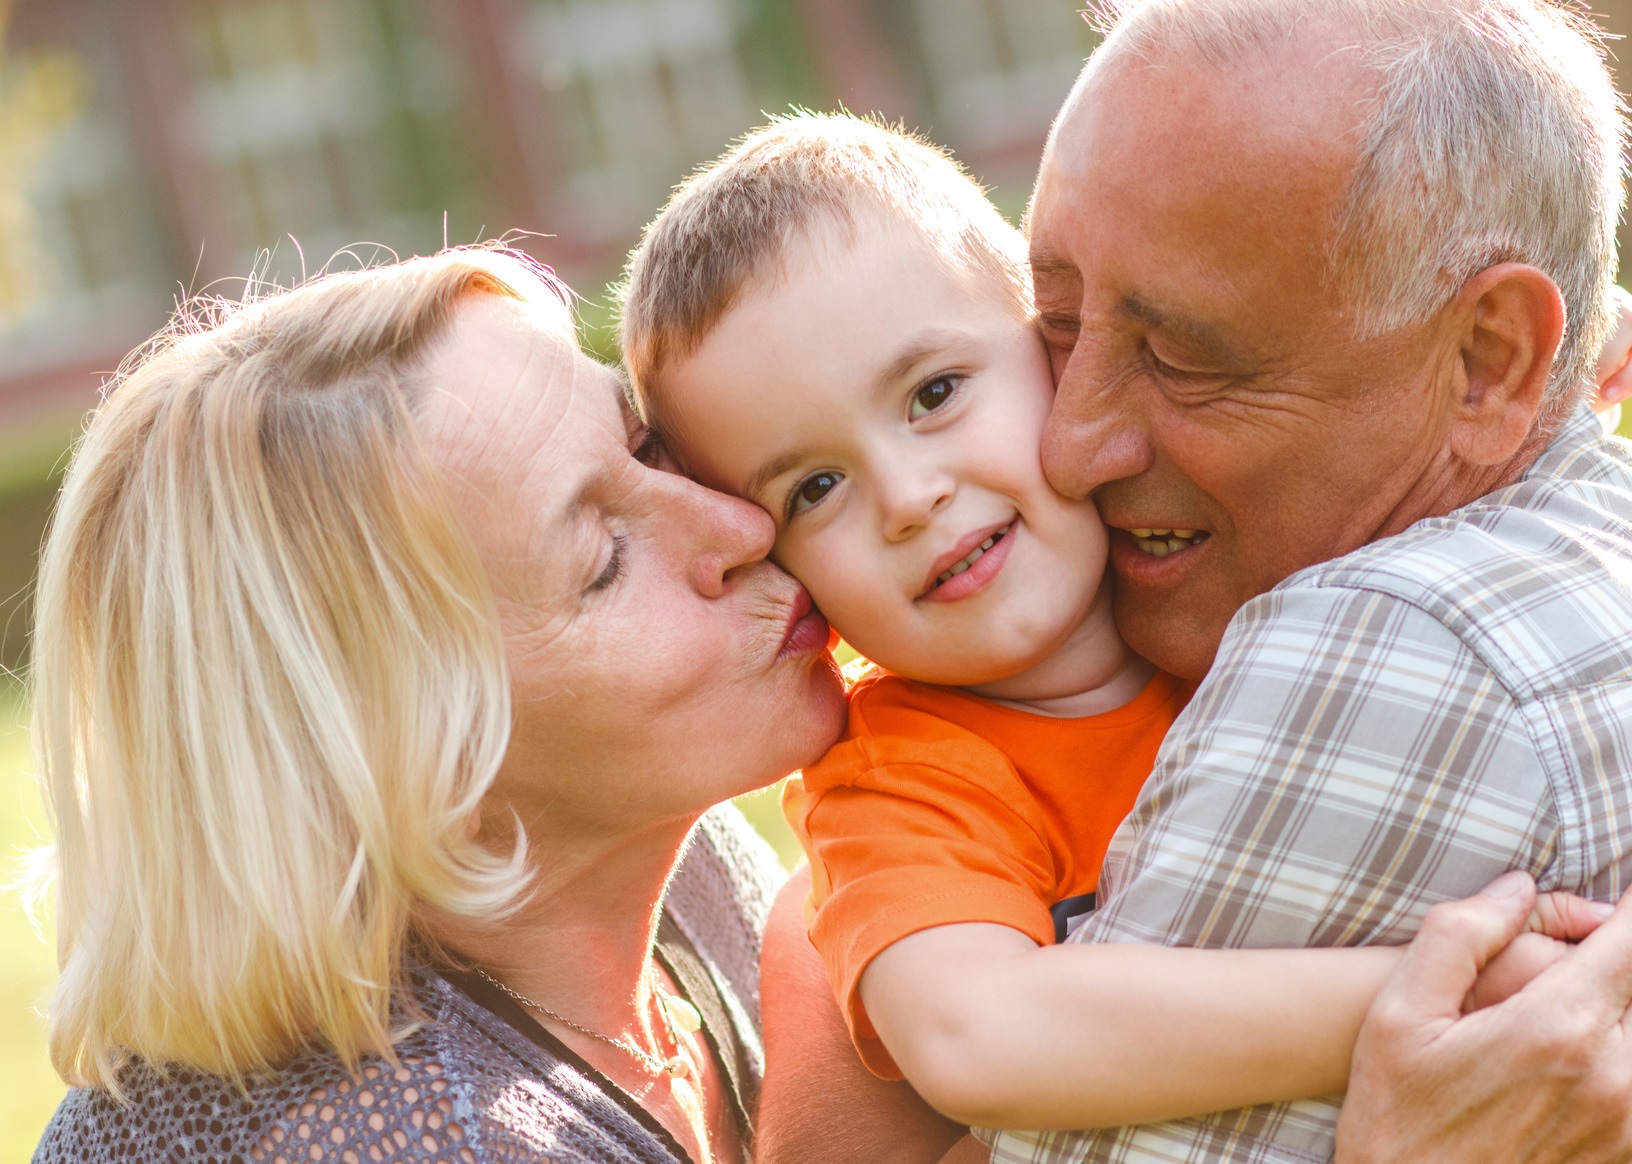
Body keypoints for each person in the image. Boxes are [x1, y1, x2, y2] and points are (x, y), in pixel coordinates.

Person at [614, 110, 1601, 1137]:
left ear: (1061, 349)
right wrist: (1431, 990)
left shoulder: (1247, 570)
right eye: (815, 487)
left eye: (935, 392)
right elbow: (976, 1037)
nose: (907, 497)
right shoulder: (904, 779)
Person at [986, 0, 1632, 1159]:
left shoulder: (1396, 638)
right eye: (1058, 323)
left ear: (1489, 360)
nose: (1068, 446)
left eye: (1184, 357)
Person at [29, 247, 845, 1164]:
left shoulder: (675, 867)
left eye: (643, 443)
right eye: (604, 560)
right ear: (423, 752)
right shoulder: (406, 1138)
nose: (742, 525)